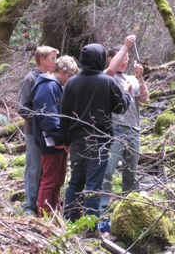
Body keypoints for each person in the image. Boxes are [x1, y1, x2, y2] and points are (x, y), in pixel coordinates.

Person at [60, 43, 132, 223]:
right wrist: (127, 93)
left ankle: (70, 220)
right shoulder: (107, 81)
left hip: (77, 140)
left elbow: (64, 114)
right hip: (99, 141)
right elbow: (120, 107)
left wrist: (65, 140)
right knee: (94, 184)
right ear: (100, 59)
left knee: (75, 181)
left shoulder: (71, 82)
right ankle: (91, 226)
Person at [100, 39, 149, 212]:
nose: (124, 61)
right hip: (114, 129)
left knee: (131, 173)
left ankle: (130, 209)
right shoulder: (107, 77)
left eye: (127, 58)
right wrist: (125, 46)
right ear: (111, 59)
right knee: (108, 170)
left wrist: (140, 78)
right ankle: (103, 208)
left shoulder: (132, 79)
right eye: (120, 58)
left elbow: (144, 99)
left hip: (134, 130)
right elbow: (109, 72)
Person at [32, 56, 79, 217]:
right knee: (49, 180)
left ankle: (54, 213)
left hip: (59, 142)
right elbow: (49, 118)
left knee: (58, 181)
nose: (71, 80)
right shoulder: (48, 87)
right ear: (62, 71)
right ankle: (44, 215)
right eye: (70, 76)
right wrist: (60, 139)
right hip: (50, 142)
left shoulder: (57, 86)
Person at [16, 45, 59, 215]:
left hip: (49, 133)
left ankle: (45, 204)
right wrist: (41, 118)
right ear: (42, 60)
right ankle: (29, 205)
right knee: (34, 167)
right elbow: (20, 107)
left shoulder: (52, 78)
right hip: (33, 132)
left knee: (47, 169)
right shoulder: (31, 78)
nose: (55, 62)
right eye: (52, 59)